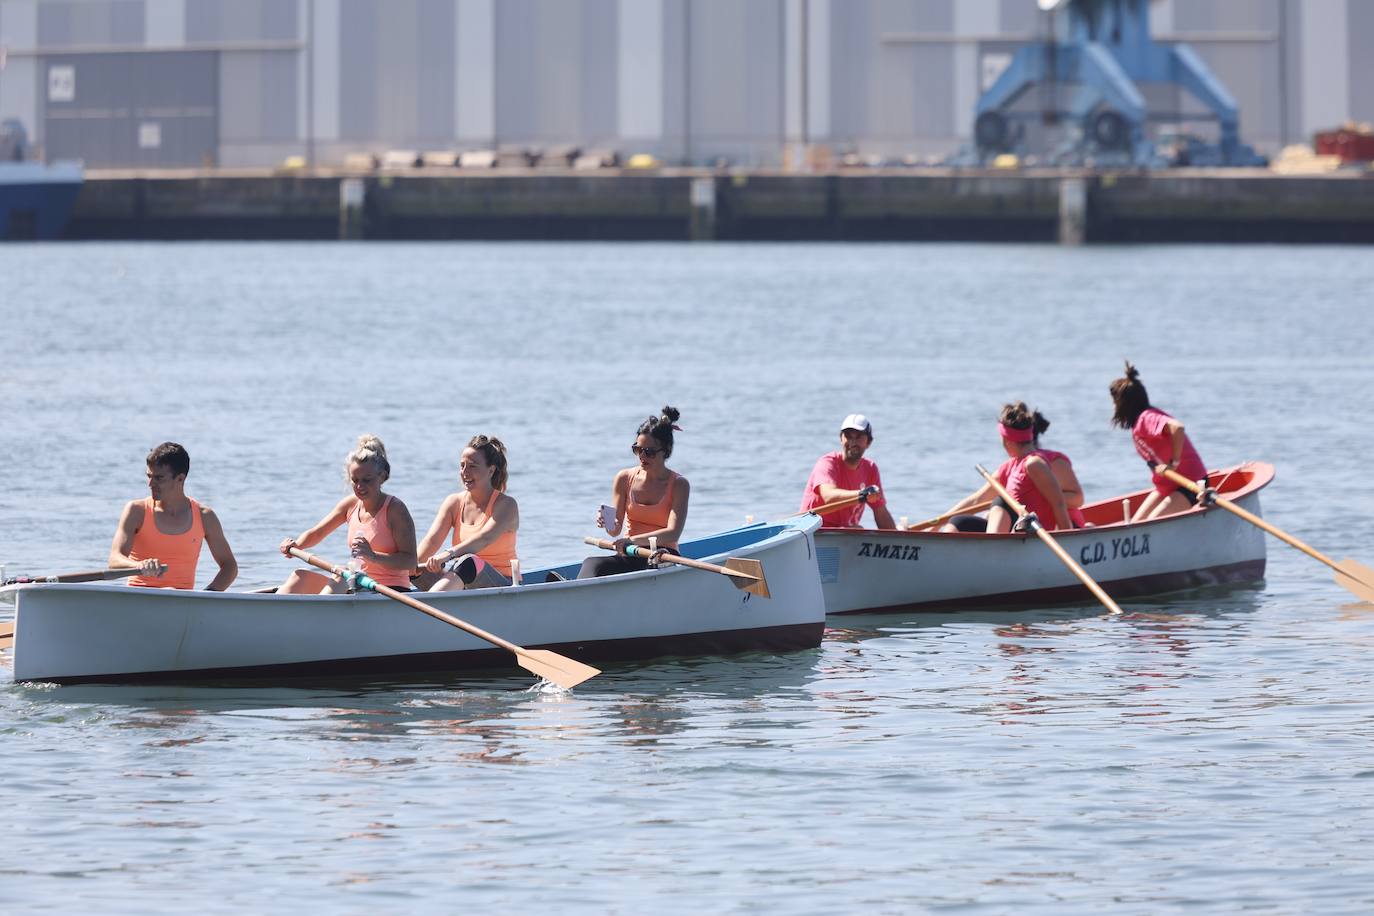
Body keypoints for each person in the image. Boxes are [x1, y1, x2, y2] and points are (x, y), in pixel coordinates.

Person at [277, 434, 417, 594]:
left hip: (390, 591)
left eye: (367, 480)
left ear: (382, 477)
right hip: (358, 584)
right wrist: (297, 545)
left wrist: (373, 556)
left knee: (341, 576)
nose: (360, 486)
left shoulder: (395, 509)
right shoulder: (350, 505)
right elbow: (317, 533)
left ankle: (319, 615)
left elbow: (410, 561)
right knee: (299, 577)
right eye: (355, 480)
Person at [577, 406, 690, 579]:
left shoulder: (679, 485)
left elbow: (673, 532)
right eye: (637, 449)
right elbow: (615, 531)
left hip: (663, 554)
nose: (642, 456)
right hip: (631, 552)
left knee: (654, 564)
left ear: (665, 450)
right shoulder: (624, 478)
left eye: (649, 452)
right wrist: (607, 522)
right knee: (591, 564)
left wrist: (632, 541)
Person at [109, 442, 237, 590]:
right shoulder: (136, 511)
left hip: (182, 602)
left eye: (159, 478)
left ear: (180, 479)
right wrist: (139, 565)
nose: (150, 484)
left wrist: (207, 596)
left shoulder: (205, 517)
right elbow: (114, 560)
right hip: (140, 597)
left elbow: (229, 567)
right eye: (149, 476)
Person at [941, 403, 1073, 534]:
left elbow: (1059, 504)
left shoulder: (1034, 464)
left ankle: (991, 546)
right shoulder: (1009, 467)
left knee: (1002, 502)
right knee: (958, 522)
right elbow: (977, 500)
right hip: (1012, 531)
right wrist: (935, 525)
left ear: (1007, 440)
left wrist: (1068, 540)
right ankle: (940, 543)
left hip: (1034, 533)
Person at [416, 435, 520, 591]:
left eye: (472, 466)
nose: (465, 472)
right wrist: (407, 566)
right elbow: (431, 541)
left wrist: (448, 554)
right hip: (461, 578)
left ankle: (427, 608)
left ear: (491, 470)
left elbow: (484, 538)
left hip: (501, 585)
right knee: (411, 569)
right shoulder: (453, 503)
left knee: (469, 561)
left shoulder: (506, 505)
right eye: (462, 465)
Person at [1111, 361, 1207, 521]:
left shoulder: (1147, 418)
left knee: (1149, 526)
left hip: (1190, 484)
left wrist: (1174, 463)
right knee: (1134, 525)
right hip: (1167, 486)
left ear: (1123, 403)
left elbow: (1178, 428)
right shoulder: (1139, 423)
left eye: (1114, 402)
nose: (1114, 408)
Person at [799, 414, 896, 529]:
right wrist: (862, 494)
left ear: (868, 442)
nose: (852, 442)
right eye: (848, 436)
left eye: (859, 437)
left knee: (858, 529)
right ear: (841, 438)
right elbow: (829, 496)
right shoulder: (827, 463)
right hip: (814, 531)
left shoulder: (870, 469)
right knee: (858, 529)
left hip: (844, 533)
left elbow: (881, 513)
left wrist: (900, 540)